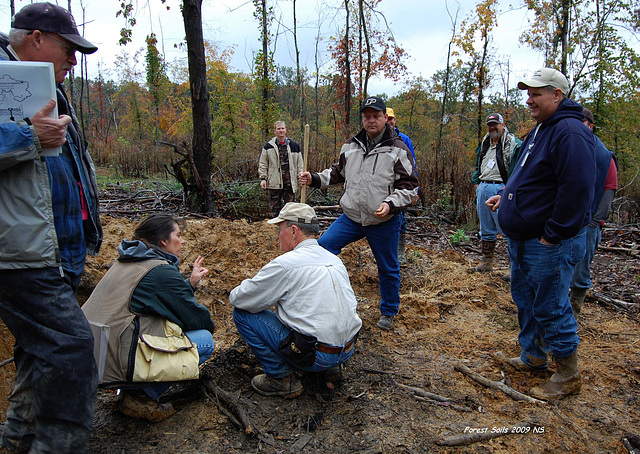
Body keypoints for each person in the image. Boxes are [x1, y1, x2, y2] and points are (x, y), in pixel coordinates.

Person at [0, 3, 102, 452]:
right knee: (73, 348)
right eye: (68, 49)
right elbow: (30, 144)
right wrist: (27, 138)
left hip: (56, 247)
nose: (73, 60)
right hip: (20, 252)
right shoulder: (6, 80)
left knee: (38, 351)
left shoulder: (44, 87)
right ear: (37, 38)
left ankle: (19, 439)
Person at [486, 68, 596, 400]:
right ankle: (533, 356)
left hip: (546, 242)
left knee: (550, 305)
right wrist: (506, 195)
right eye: (528, 93)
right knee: (526, 299)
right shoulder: (541, 130)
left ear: (557, 95)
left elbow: (577, 189)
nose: (529, 99)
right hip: (523, 240)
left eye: (536, 93)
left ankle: (567, 374)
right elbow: (532, 178)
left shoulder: (570, 132)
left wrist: (553, 234)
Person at [299, 96, 419, 331]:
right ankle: (320, 297)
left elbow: (410, 187)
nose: (371, 120)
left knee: (388, 267)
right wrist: (313, 178)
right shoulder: (350, 146)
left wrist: (390, 204)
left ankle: (389, 310)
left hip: (383, 219)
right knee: (322, 248)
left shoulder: (398, 149)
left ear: (386, 118)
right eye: (367, 116)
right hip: (352, 217)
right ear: (362, 119)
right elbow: (336, 174)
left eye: (376, 116)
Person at [82, 214, 215, 422]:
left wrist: (188, 285)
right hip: (117, 360)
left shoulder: (128, 261)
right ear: (163, 241)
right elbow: (196, 320)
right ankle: (141, 396)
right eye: (178, 235)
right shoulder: (160, 271)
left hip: (93, 354)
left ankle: (133, 390)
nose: (182, 241)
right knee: (204, 340)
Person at [230, 203, 362, 398]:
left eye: (279, 229)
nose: (277, 235)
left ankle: (281, 379)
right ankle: (331, 370)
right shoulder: (334, 260)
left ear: (293, 230)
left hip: (316, 356)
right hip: (347, 350)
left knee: (241, 314)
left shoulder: (286, 265)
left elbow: (240, 299)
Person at [569, 108, 618, 315]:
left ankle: (576, 303)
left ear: (590, 125)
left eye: (582, 123)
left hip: (588, 223)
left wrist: (594, 221)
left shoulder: (603, 156)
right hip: (565, 219)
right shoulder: (569, 148)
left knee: (581, 267)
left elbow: (609, 190)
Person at [470, 113, 522, 277]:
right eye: (490, 125)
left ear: (502, 124)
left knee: (507, 227)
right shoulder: (485, 144)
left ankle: (512, 266)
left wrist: (510, 189)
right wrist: (476, 182)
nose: (492, 127)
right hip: (484, 186)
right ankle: (487, 261)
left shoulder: (513, 145)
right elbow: (478, 164)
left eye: (495, 124)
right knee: (485, 228)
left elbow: (519, 169)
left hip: (502, 188)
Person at [386, 107, 417, 266]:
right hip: (383, 187)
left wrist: (414, 189)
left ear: (395, 120)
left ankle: (400, 253)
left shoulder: (405, 140)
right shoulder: (376, 139)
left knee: (401, 219)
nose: (389, 121)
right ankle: (386, 252)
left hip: (401, 187)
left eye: (392, 119)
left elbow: (412, 165)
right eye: (387, 118)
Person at [259, 121, 304, 217]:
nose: (281, 130)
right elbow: (263, 164)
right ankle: (275, 230)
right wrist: (263, 179)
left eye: (282, 128)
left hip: (290, 183)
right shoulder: (268, 146)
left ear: (286, 130)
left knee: (290, 210)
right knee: (275, 210)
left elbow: (300, 164)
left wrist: (301, 177)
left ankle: (289, 230)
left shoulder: (294, 146)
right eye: (279, 129)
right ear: (275, 131)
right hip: (274, 184)